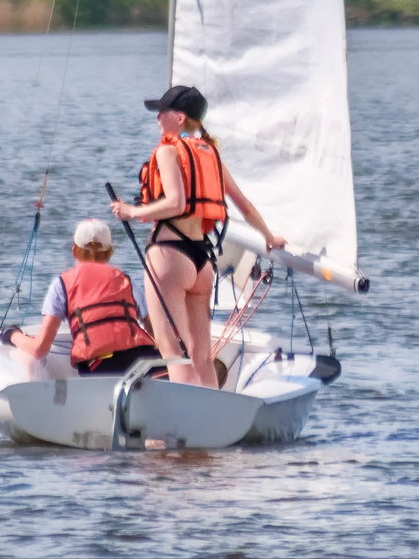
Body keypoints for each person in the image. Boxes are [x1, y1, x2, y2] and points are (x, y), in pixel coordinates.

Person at [109, 85, 286, 388]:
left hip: (169, 256)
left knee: (173, 351)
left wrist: (131, 212)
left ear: (178, 117)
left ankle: (184, 423)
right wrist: (268, 236)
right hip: (202, 262)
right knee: (202, 356)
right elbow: (243, 205)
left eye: (161, 113)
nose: (157, 119)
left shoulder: (167, 151)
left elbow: (175, 203)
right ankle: (211, 419)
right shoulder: (211, 155)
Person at [0, 219, 159, 374]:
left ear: (74, 250)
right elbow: (157, 335)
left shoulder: (62, 285)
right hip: (146, 361)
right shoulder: (126, 281)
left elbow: (40, 349)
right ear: (110, 251)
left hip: (103, 368)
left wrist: (12, 335)